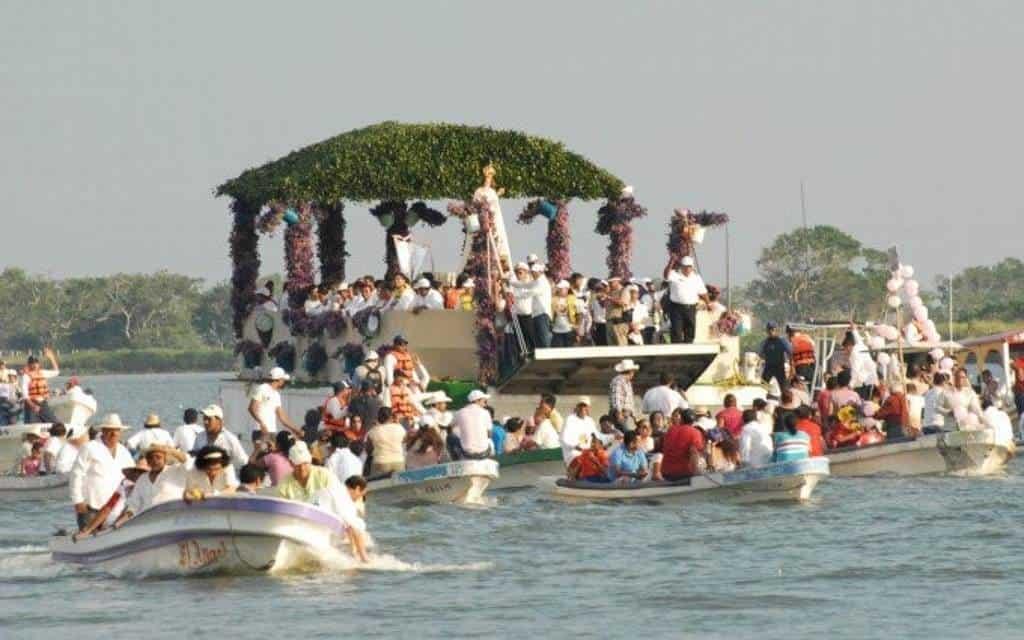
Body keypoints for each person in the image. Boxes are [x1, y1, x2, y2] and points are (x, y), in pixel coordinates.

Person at [277, 441, 370, 562]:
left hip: (330, 517)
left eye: (305, 464)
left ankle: (362, 556)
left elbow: (340, 500)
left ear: (310, 461)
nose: (302, 468)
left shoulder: (324, 474)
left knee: (350, 520)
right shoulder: (284, 483)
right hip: (302, 521)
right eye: (298, 465)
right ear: (291, 464)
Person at [69, 413, 135, 531]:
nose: (113, 433)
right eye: (110, 430)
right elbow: (76, 475)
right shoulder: (90, 447)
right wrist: (78, 501)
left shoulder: (124, 451)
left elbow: (132, 476)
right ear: (103, 431)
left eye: (116, 430)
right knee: (88, 540)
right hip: (91, 506)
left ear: (120, 432)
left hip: (115, 508)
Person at [115, 444, 188, 525]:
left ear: (165, 459)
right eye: (150, 458)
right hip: (148, 524)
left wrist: (172, 451)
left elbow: (187, 462)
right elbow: (133, 505)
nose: (154, 461)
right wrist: (119, 523)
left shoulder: (175, 471)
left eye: (158, 457)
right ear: (147, 461)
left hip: (173, 521)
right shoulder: (142, 479)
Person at [663, 255, 709, 344]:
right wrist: (671, 262)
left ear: (692, 267)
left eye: (689, 267)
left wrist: (708, 303)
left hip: (691, 308)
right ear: (681, 266)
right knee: (676, 330)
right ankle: (676, 351)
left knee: (690, 330)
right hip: (676, 308)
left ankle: (688, 348)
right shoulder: (674, 275)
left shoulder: (696, 278)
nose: (687, 269)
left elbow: (703, 292)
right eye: (685, 267)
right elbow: (665, 276)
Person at [192, 405, 249, 476]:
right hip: (203, 479)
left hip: (223, 479)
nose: (205, 422)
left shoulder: (229, 438)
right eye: (204, 419)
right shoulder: (200, 436)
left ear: (219, 420)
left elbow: (243, 460)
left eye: (209, 419)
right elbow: (193, 457)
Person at [248, 367, 300, 439]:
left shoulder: (276, 394)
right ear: (279, 379)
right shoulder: (262, 388)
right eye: (283, 379)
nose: (284, 382)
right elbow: (251, 408)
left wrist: (295, 429)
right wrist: (261, 424)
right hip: (260, 431)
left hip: (272, 432)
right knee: (261, 450)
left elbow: (282, 417)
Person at [448, 389, 494, 459]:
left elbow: (449, 426)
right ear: (477, 401)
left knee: (450, 437)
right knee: (489, 441)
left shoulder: (459, 412)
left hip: (467, 453)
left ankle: (455, 459)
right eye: (484, 401)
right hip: (485, 452)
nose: (485, 404)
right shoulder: (486, 412)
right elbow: (489, 434)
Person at [661, 410, 706, 480]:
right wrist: (696, 474)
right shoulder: (695, 432)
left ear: (681, 419)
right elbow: (694, 453)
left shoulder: (671, 430)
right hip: (683, 473)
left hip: (666, 472)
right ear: (694, 421)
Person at [20, 349, 60, 423]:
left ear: (38, 364)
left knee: (55, 422)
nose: (35, 365)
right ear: (29, 365)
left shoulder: (42, 373)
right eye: (32, 363)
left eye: (36, 363)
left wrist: (51, 358)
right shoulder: (26, 376)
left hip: (43, 403)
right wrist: (33, 406)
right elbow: (25, 396)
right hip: (31, 404)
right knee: (31, 424)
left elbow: (56, 372)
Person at [366, 407, 407, 474]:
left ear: (378, 417)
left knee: (379, 483)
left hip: (380, 462)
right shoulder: (399, 428)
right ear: (391, 417)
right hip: (398, 461)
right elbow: (404, 441)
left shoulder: (373, 431)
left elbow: (368, 450)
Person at [560, 397, 600, 465]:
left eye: (585, 406)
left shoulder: (590, 421)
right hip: (573, 453)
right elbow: (563, 439)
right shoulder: (569, 420)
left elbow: (597, 437)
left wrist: (596, 443)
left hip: (588, 452)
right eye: (580, 406)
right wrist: (575, 446)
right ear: (577, 407)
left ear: (588, 408)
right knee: (588, 462)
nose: (582, 408)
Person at [759, 322, 792, 388]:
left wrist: (791, 366)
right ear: (767, 331)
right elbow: (760, 354)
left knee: (783, 387)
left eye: (772, 330)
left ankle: (784, 397)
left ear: (776, 330)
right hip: (768, 367)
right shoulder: (765, 342)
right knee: (763, 386)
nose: (771, 332)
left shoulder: (782, 341)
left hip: (779, 368)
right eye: (769, 330)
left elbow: (790, 353)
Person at [609, 359, 639, 430]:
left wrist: (634, 416)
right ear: (631, 371)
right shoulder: (618, 381)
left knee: (625, 434)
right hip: (620, 414)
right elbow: (616, 398)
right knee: (625, 434)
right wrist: (619, 413)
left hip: (624, 414)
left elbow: (629, 401)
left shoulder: (627, 382)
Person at [550, 280, 578, 347]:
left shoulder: (573, 299)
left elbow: (579, 313)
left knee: (569, 351)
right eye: (559, 288)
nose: (559, 290)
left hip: (569, 329)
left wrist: (577, 326)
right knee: (558, 351)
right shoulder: (553, 299)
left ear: (567, 289)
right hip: (556, 330)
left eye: (561, 288)